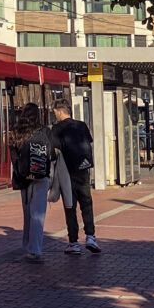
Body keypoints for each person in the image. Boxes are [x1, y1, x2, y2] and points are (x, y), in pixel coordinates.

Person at [50, 99, 100, 255]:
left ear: (59, 111)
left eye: (55, 112)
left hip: (67, 172)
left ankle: (73, 242)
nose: (55, 115)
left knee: (70, 207)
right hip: (83, 170)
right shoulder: (81, 125)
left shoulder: (57, 129)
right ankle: (91, 236)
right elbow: (89, 143)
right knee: (86, 203)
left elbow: (54, 152)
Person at [9, 102, 57, 263]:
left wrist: (22, 173)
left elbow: (14, 159)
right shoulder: (45, 131)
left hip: (24, 178)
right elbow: (51, 154)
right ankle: (35, 249)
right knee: (38, 214)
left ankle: (27, 245)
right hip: (41, 177)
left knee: (28, 214)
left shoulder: (16, 132)